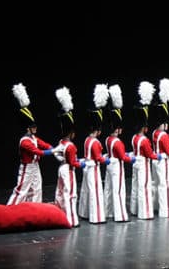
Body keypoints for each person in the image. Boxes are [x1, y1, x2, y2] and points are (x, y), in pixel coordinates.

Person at [7, 83, 54, 205]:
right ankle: (10, 211)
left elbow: (42, 144)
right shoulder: (25, 141)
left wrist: (52, 147)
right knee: (21, 191)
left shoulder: (32, 137)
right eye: (33, 127)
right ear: (28, 128)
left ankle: (34, 210)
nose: (36, 128)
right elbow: (36, 151)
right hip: (27, 168)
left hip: (35, 166)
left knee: (37, 189)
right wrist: (51, 152)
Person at [53, 87, 85, 227]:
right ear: (71, 132)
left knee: (60, 193)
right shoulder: (70, 146)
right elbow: (73, 162)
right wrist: (82, 163)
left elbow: (57, 153)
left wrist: (63, 160)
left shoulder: (61, 142)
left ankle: (59, 216)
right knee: (71, 194)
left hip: (61, 168)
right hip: (69, 170)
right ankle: (72, 220)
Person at [104, 84, 135, 222]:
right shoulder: (117, 141)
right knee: (118, 190)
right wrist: (132, 158)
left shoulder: (108, 139)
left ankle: (108, 212)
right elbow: (122, 157)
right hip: (117, 166)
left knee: (109, 189)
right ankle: (120, 215)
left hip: (110, 164)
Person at [79, 84, 109, 224]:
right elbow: (98, 158)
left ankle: (84, 213)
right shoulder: (95, 142)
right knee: (95, 192)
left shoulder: (87, 139)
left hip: (87, 166)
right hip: (93, 168)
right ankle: (96, 217)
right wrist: (106, 159)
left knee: (86, 191)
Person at [130, 81, 160, 220]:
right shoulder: (144, 140)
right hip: (143, 164)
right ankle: (145, 212)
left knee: (136, 186)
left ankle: (135, 209)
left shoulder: (134, 138)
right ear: (144, 127)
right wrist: (159, 156)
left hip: (136, 162)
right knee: (145, 187)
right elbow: (150, 154)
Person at [151, 79, 169, 218]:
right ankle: (166, 210)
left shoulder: (155, 132)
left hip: (155, 160)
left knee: (157, 184)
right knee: (166, 185)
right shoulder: (164, 134)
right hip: (162, 161)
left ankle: (157, 207)